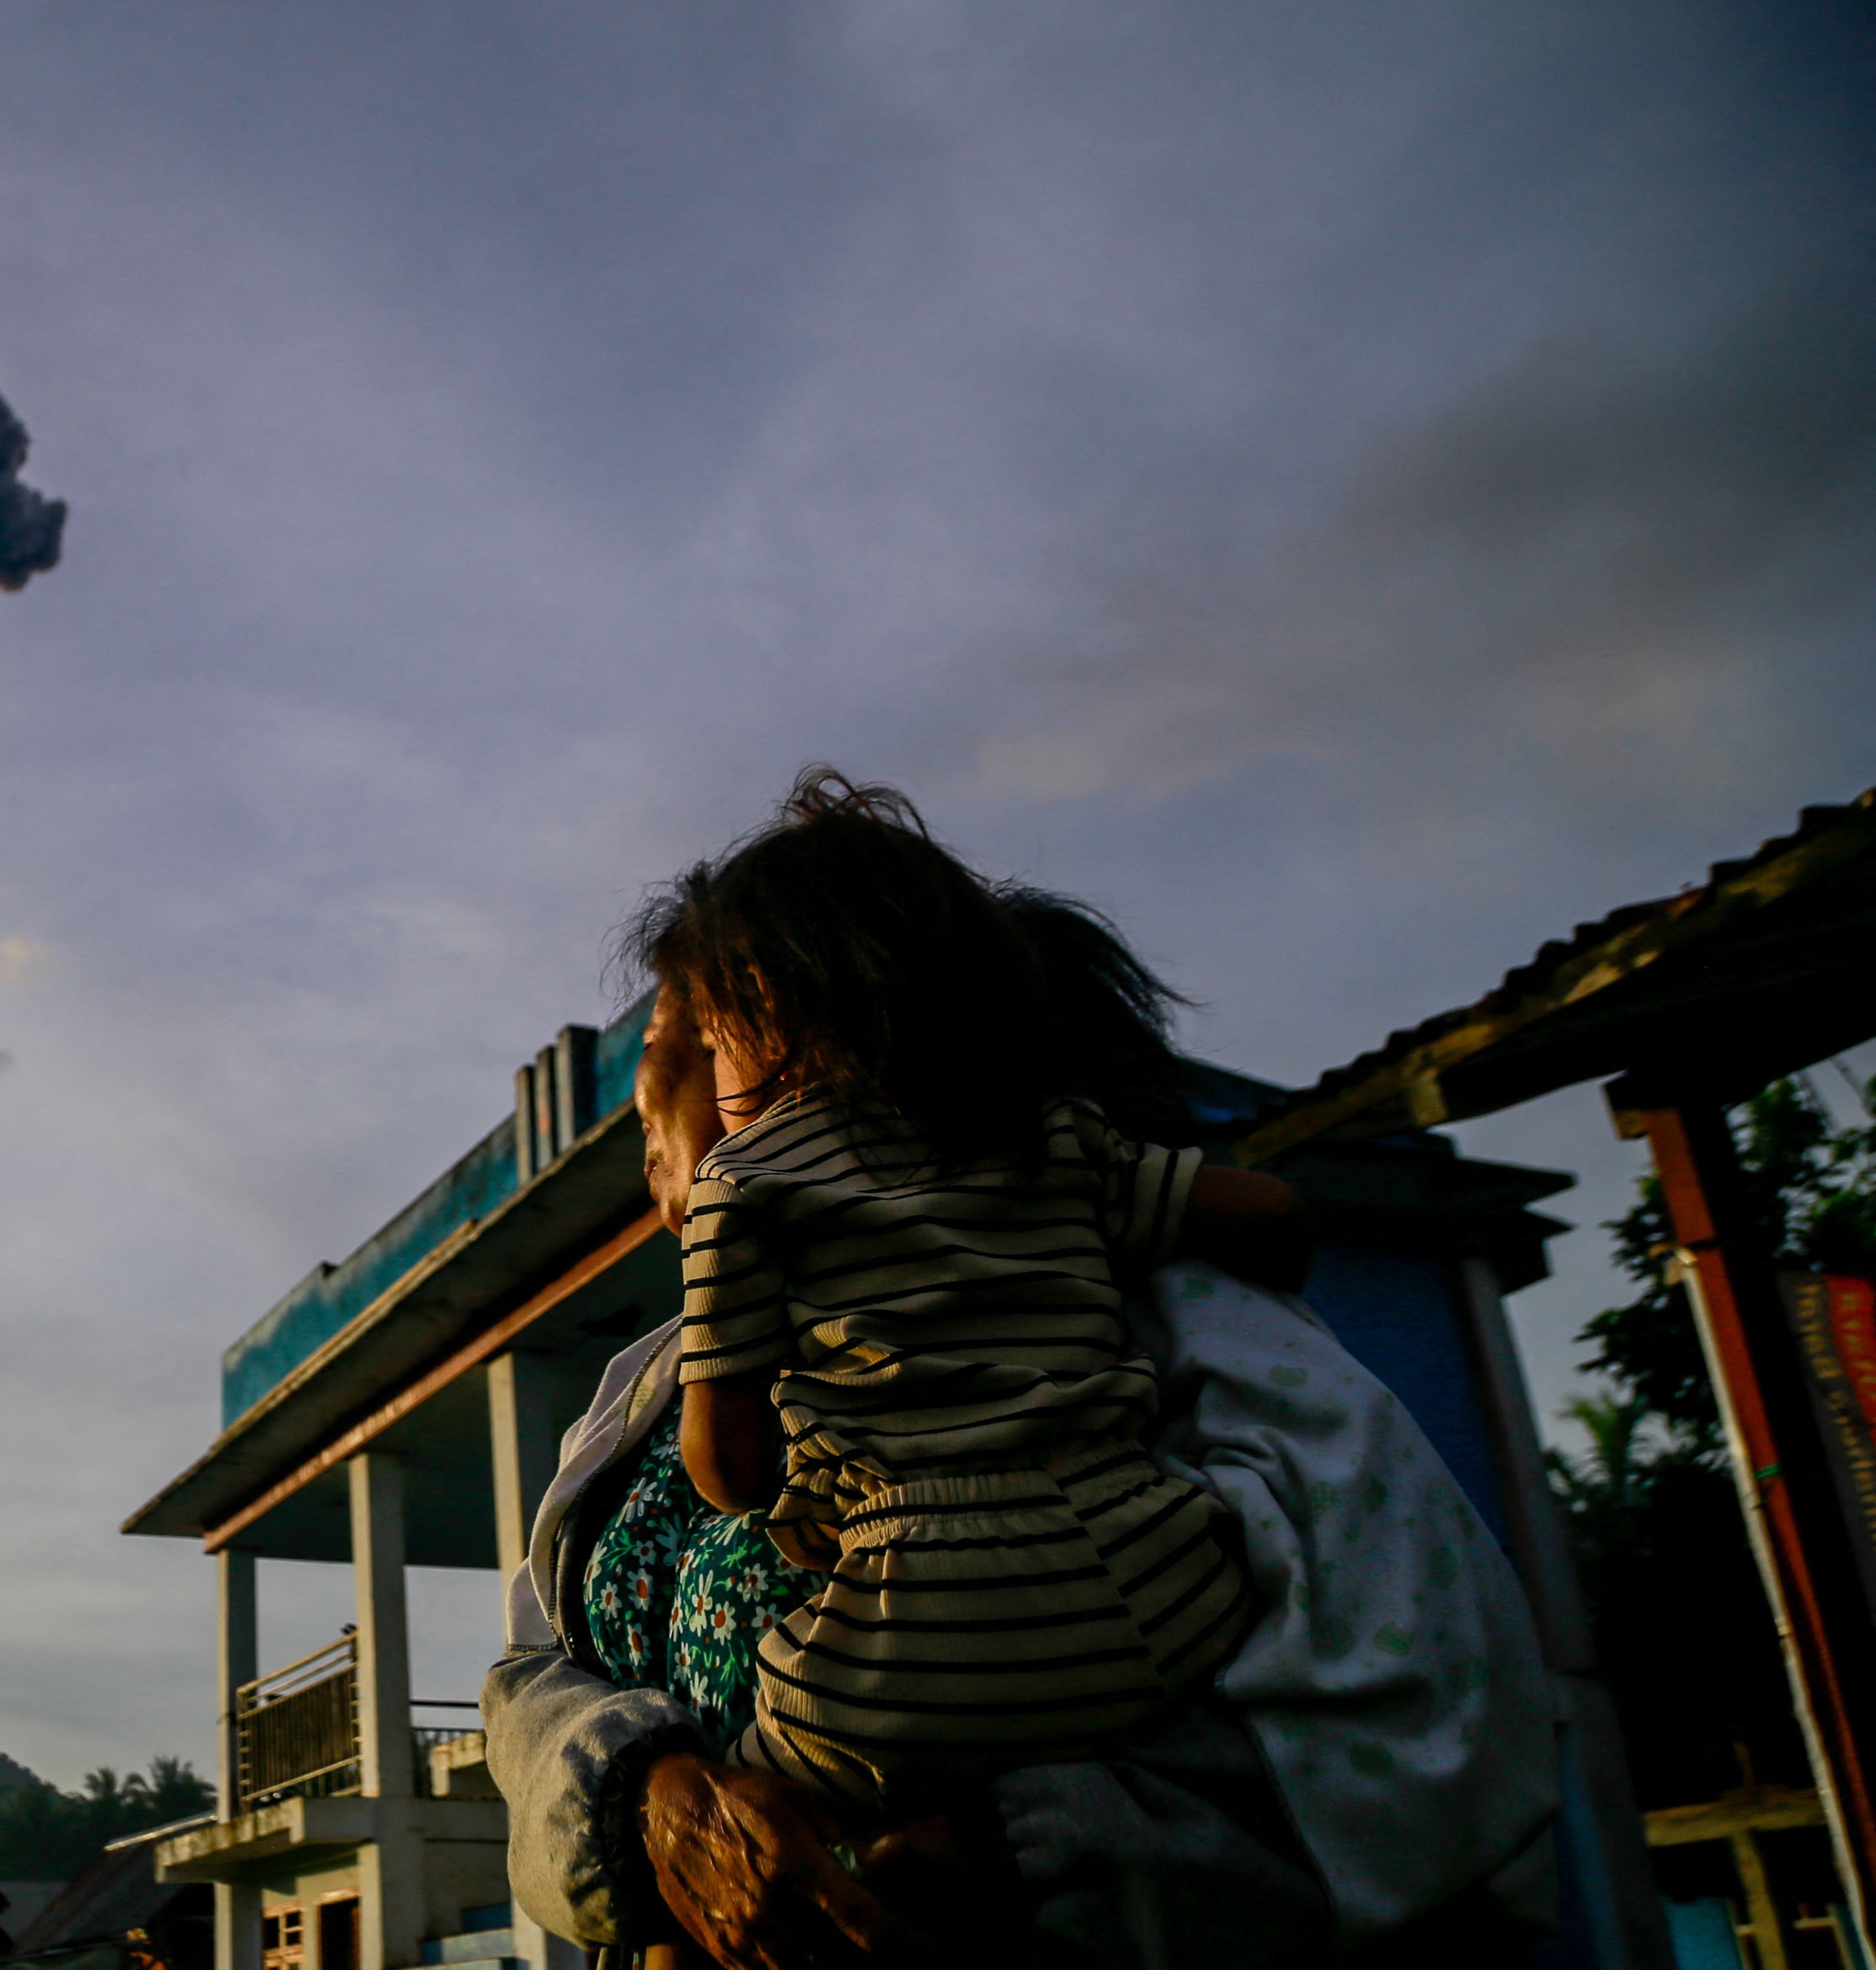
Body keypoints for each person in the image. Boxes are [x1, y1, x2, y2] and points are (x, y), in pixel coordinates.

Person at [482, 838, 1561, 1970]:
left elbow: (1425, 1755)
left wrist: (1018, 1852)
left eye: (674, 1040)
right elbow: (529, 1675)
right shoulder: (646, 1385)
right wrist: (650, 1800)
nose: (646, 1095)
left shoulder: (1168, 1334)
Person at [633, 770, 1305, 1808]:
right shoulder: (1055, 1139)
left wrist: (791, 1483)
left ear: (761, 1008)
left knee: (747, 1809)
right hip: (1157, 1592)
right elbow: (1270, 1214)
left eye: (710, 1040)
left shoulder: (748, 1183)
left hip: (914, 1627)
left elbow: (724, 1465)